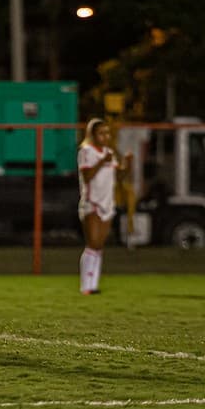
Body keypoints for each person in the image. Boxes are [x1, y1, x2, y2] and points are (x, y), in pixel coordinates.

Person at [77, 118, 132, 294]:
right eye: (101, 133)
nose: (105, 136)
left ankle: (93, 284)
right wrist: (102, 161)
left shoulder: (108, 152)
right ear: (92, 134)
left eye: (107, 133)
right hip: (92, 202)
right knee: (92, 243)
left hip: (107, 203)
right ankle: (86, 285)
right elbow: (87, 176)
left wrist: (128, 165)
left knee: (99, 245)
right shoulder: (86, 151)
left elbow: (119, 176)